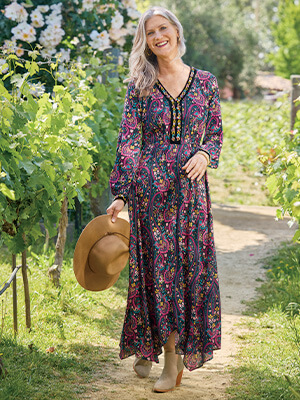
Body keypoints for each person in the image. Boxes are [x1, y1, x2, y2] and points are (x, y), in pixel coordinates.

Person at [107, 5, 223, 393]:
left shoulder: (205, 82)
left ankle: (171, 362)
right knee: (155, 273)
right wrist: (122, 193)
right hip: (150, 194)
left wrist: (205, 155)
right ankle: (149, 344)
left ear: (176, 30)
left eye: (163, 28)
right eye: (150, 32)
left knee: (184, 272)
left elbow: (215, 134)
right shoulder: (140, 84)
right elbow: (129, 141)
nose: (158, 36)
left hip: (190, 195)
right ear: (146, 41)